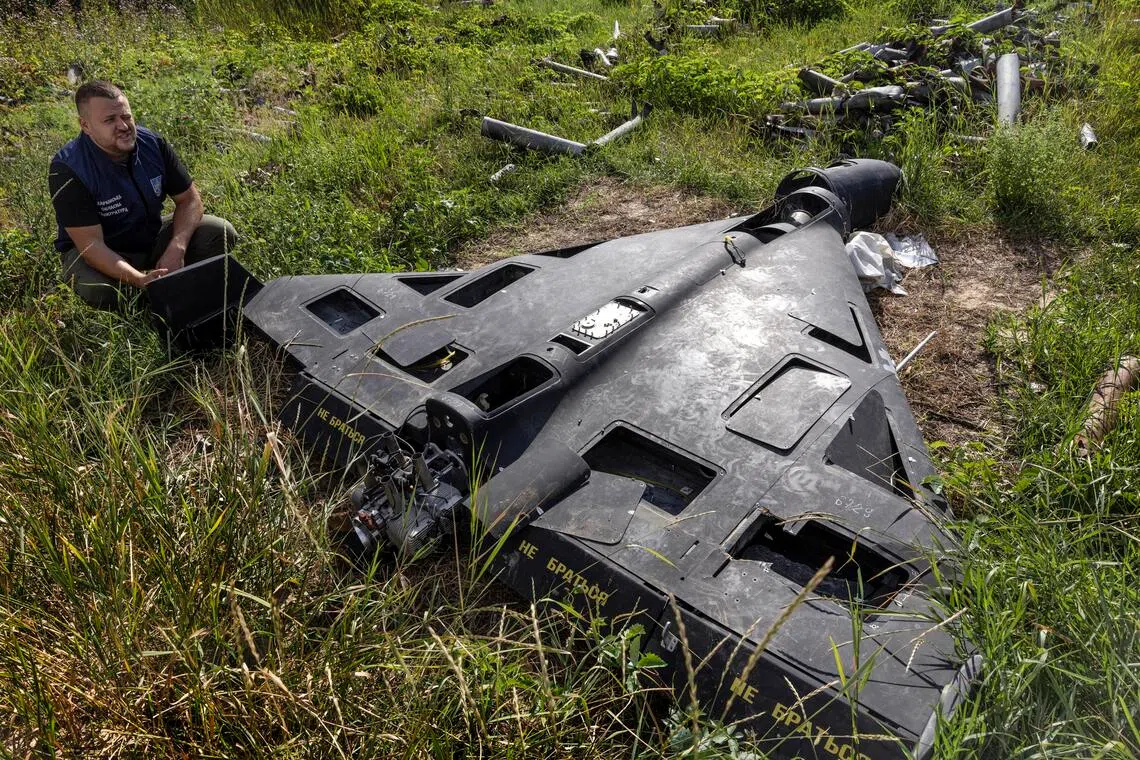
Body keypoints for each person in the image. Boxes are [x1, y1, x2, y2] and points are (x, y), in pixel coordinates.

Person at [48, 80, 238, 310]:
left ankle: (178, 288)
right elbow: (91, 246)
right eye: (109, 120)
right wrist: (138, 279)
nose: (123, 126)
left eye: (126, 116)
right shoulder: (69, 168)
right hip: (100, 253)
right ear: (85, 126)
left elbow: (189, 200)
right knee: (99, 290)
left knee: (220, 232)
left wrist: (177, 247)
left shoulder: (151, 144)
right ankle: (146, 303)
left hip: (148, 237)